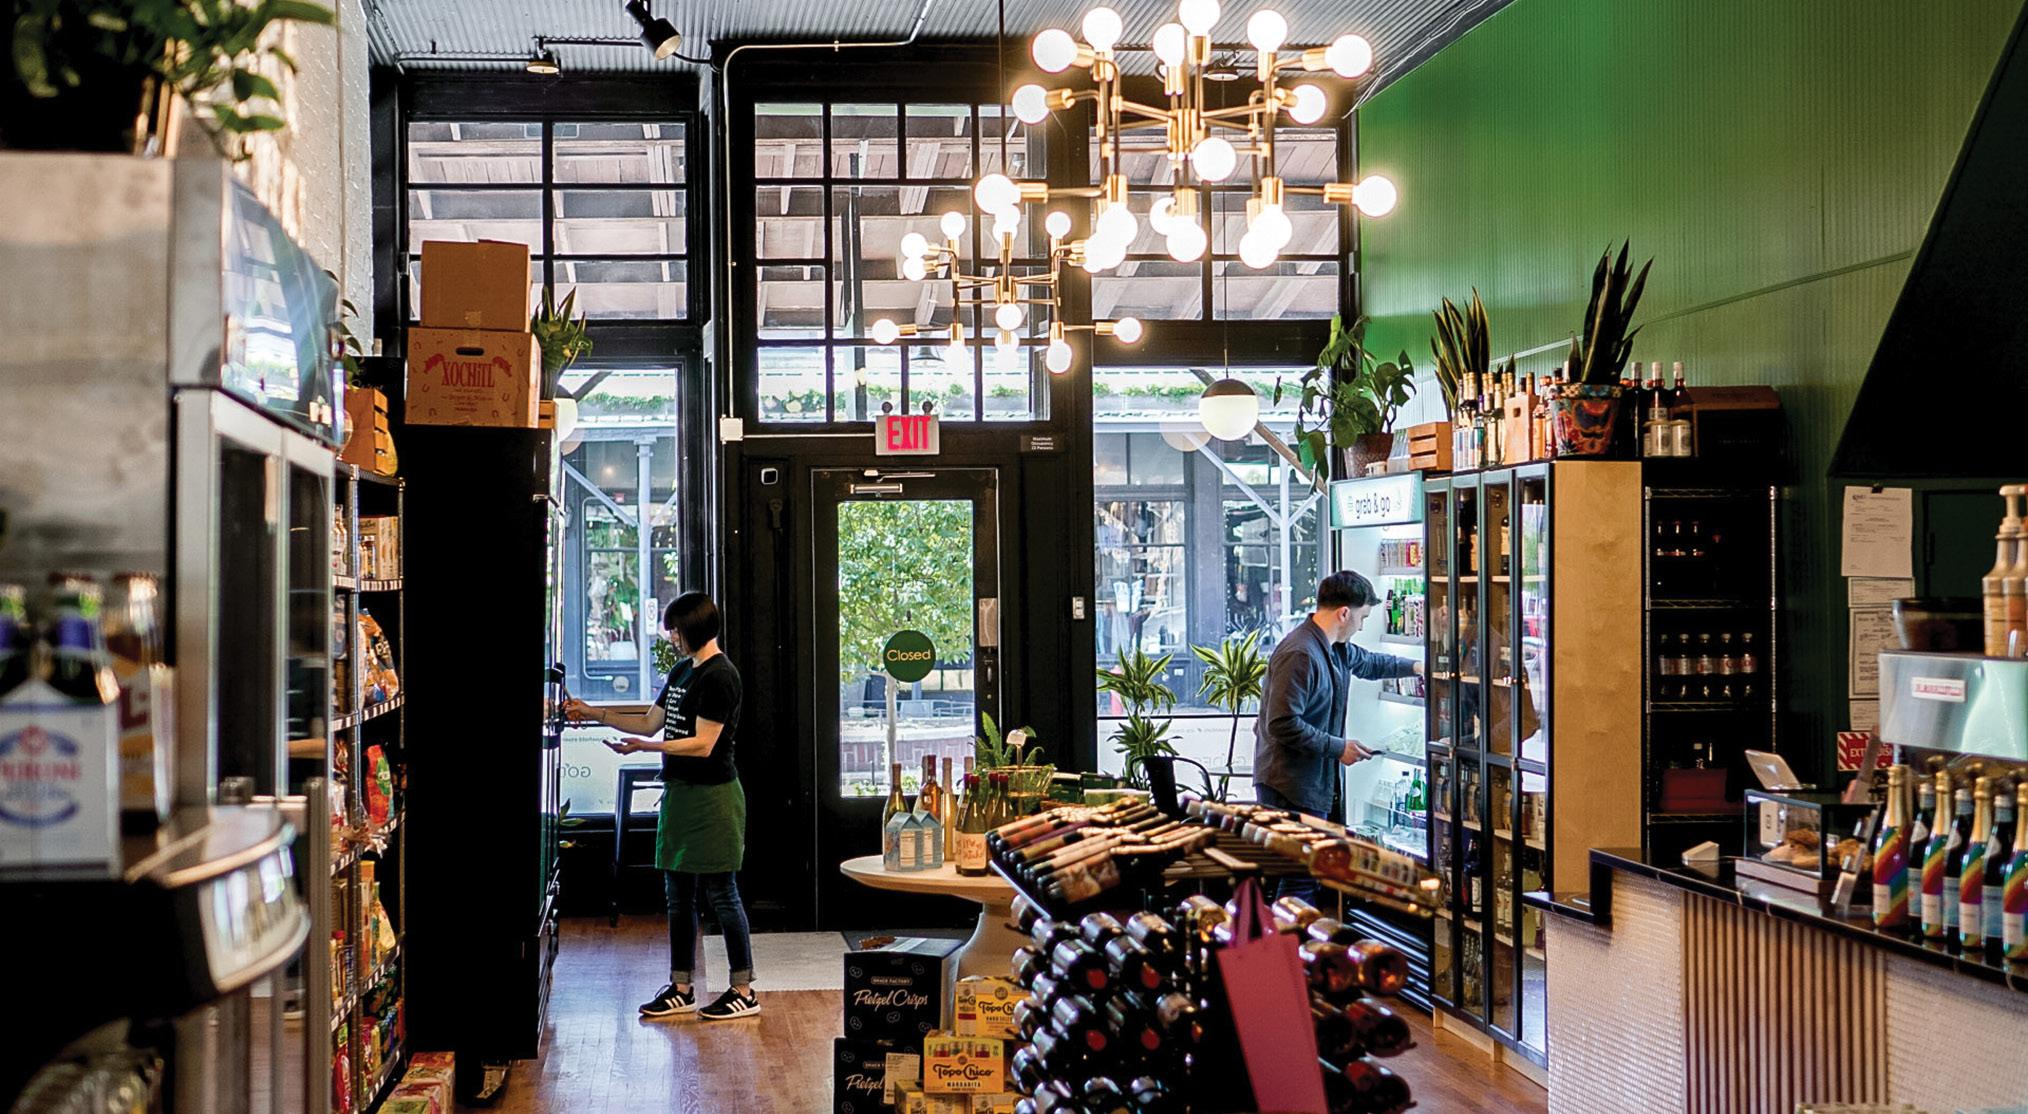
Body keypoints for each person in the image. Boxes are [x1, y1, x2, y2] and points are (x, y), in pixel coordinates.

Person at [564, 592, 758, 1022]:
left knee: (722, 893)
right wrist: (593, 712)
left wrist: (645, 748)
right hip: (680, 795)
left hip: (713, 798)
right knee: (678, 895)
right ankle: (681, 987)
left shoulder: (720, 676)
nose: (671, 637)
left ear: (693, 629)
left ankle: (743, 990)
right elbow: (650, 722)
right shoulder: (683, 672)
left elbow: (703, 744)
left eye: (675, 630)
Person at [1253, 570, 1424, 901]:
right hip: (1290, 786)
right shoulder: (1301, 653)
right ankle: (1292, 934)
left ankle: (1289, 932)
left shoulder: (1334, 648)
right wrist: (1338, 747)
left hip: (1308, 783)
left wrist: (1418, 667)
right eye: (1362, 617)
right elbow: (1282, 723)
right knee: (1300, 877)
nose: (1361, 626)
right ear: (1344, 613)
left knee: (1305, 875)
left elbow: (1370, 663)